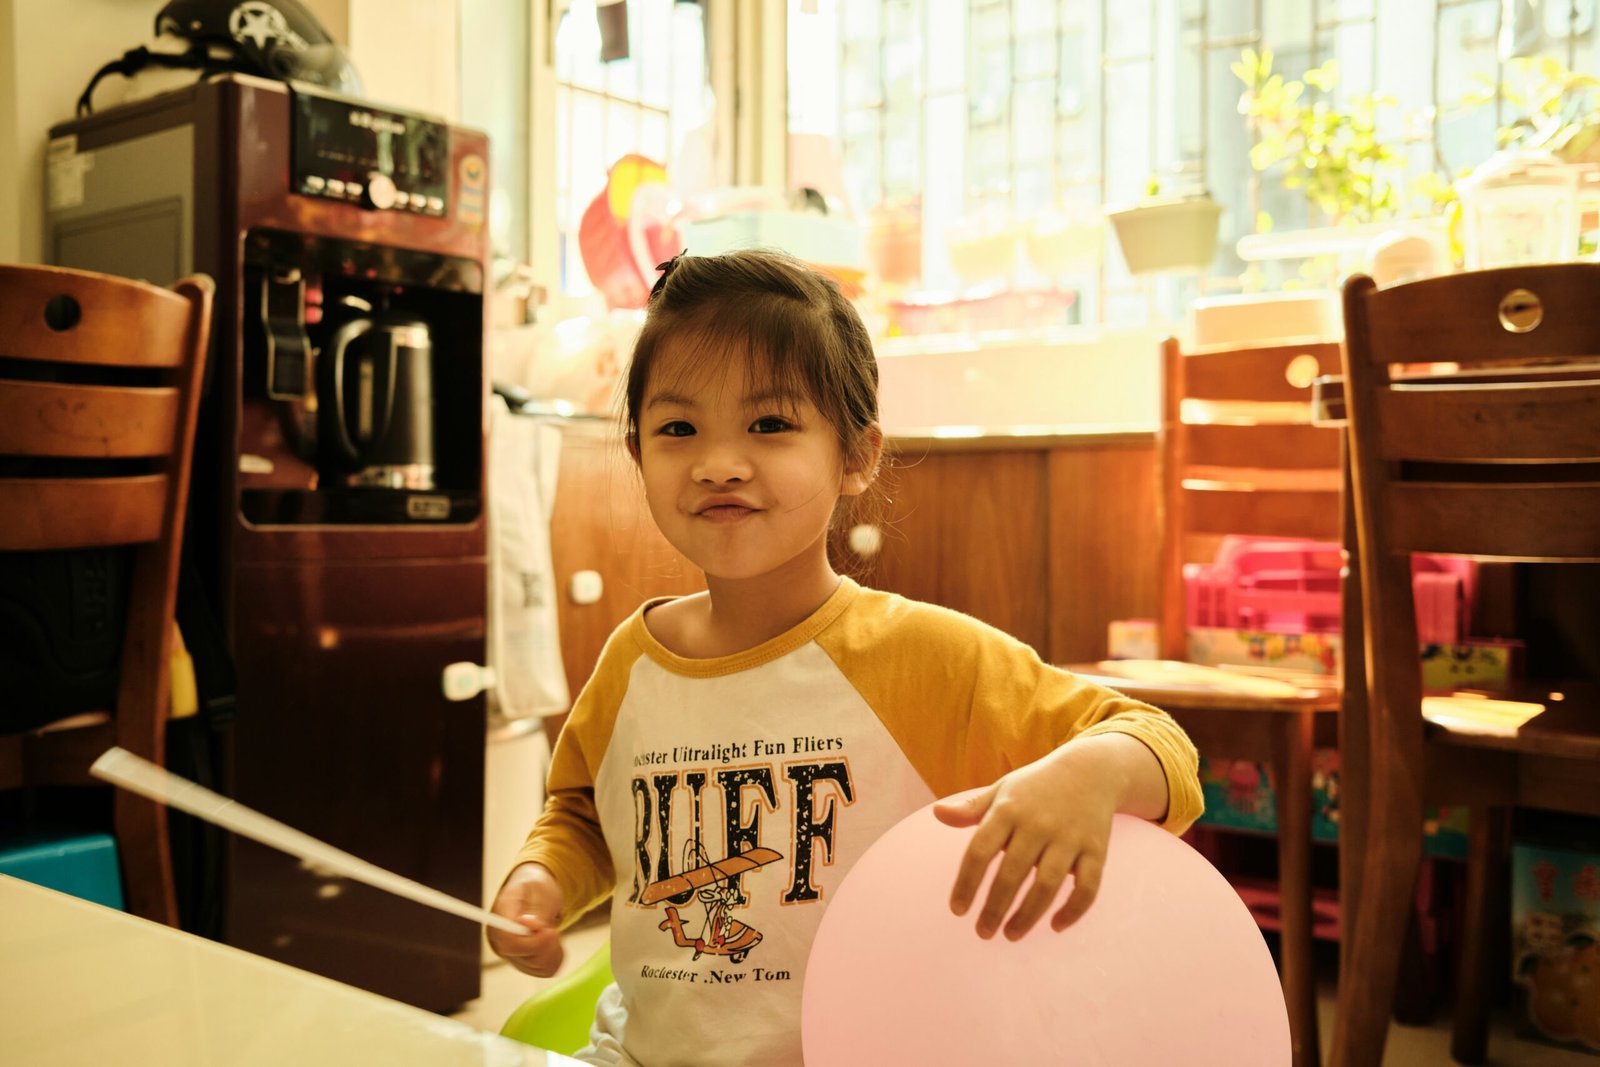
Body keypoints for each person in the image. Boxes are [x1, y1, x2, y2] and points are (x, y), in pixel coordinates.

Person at [488, 249, 1203, 1067]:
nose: (718, 461)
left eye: (769, 424)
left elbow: (1162, 747)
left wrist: (1092, 773)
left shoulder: (927, 657)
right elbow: (584, 815)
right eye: (678, 428)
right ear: (638, 451)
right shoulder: (631, 662)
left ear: (857, 456)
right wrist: (541, 881)